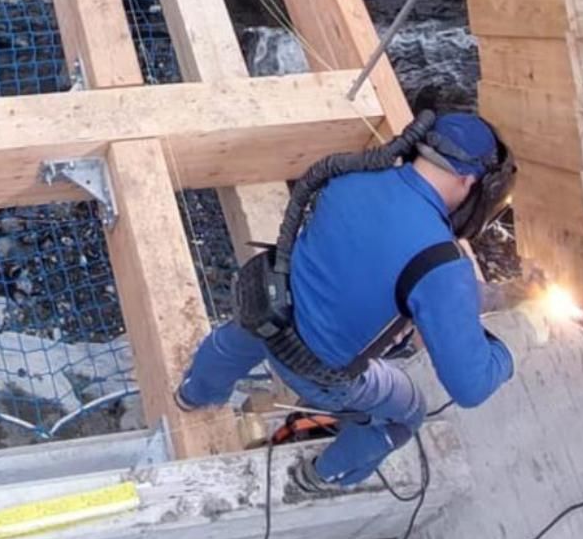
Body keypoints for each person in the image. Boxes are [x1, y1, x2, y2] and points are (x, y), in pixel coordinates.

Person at [176, 111, 516, 494]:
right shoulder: (442, 264)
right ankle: (318, 477)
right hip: (319, 374)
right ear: (467, 180)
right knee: (406, 415)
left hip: (268, 314)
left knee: (233, 338)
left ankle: (192, 393)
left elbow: (367, 254)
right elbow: (469, 387)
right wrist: (511, 351)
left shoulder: (352, 178)